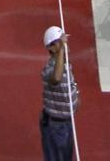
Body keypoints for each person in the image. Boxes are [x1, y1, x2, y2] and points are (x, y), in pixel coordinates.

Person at [40, 26, 79, 161]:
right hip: (55, 126)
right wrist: (62, 49)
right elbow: (56, 78)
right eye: (59, 42)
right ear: (51, 48)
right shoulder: (49, 69)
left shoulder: (66, 65)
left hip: (67, 122)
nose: (64, 45)